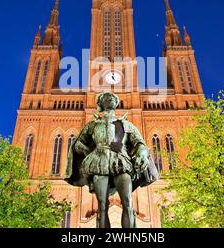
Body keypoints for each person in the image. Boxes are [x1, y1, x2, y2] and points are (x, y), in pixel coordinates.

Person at [64, 92, 159, 228]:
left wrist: (142, 153)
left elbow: (140, 143)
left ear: (116, 104)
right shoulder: (93, 125)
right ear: (101, 105)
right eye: (107, 98)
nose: (111, 99)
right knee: (102, 205)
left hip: (121, 163)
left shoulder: (126, 124)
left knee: (128, 202)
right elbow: (78, 143)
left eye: (113, 98)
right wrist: (90, 152)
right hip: (99, 164)